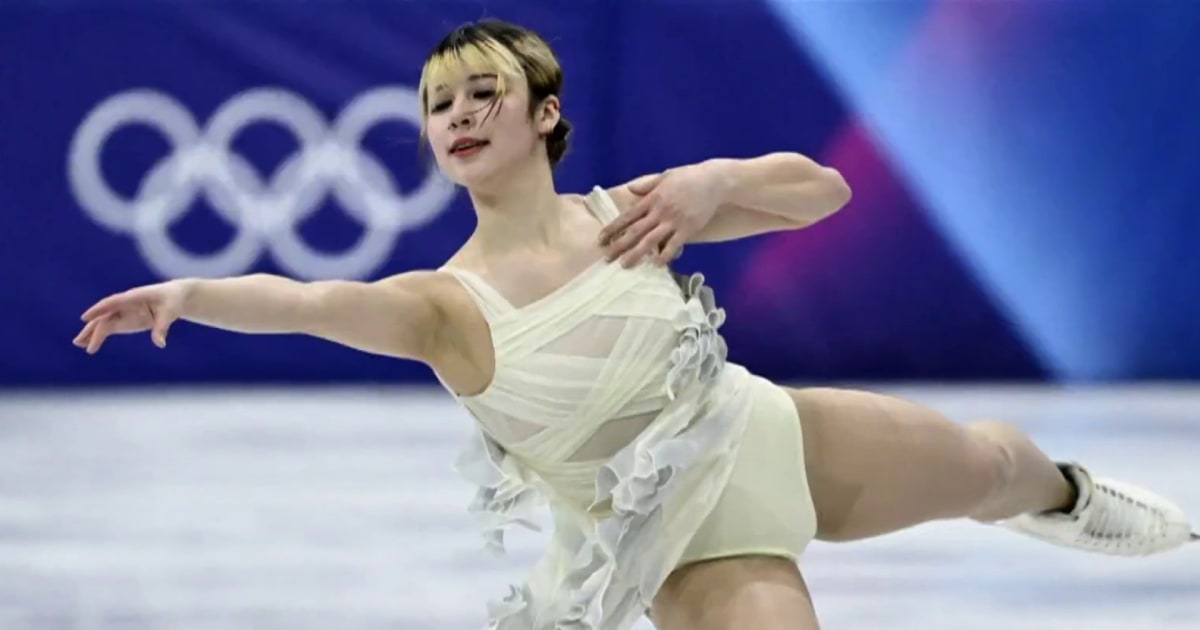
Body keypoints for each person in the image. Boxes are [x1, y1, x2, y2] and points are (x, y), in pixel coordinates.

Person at [74, 19, 1195, 630]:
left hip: (771, 434)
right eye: (438, 103)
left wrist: (708, 186)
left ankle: (1070, 498)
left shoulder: (632, 214)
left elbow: (824, 192)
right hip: (684, 537)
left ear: (545, 114)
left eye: (482, 94)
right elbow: (307, 303)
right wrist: (186, 295)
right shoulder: (439, 306)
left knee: (998, 463)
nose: (458, 115)